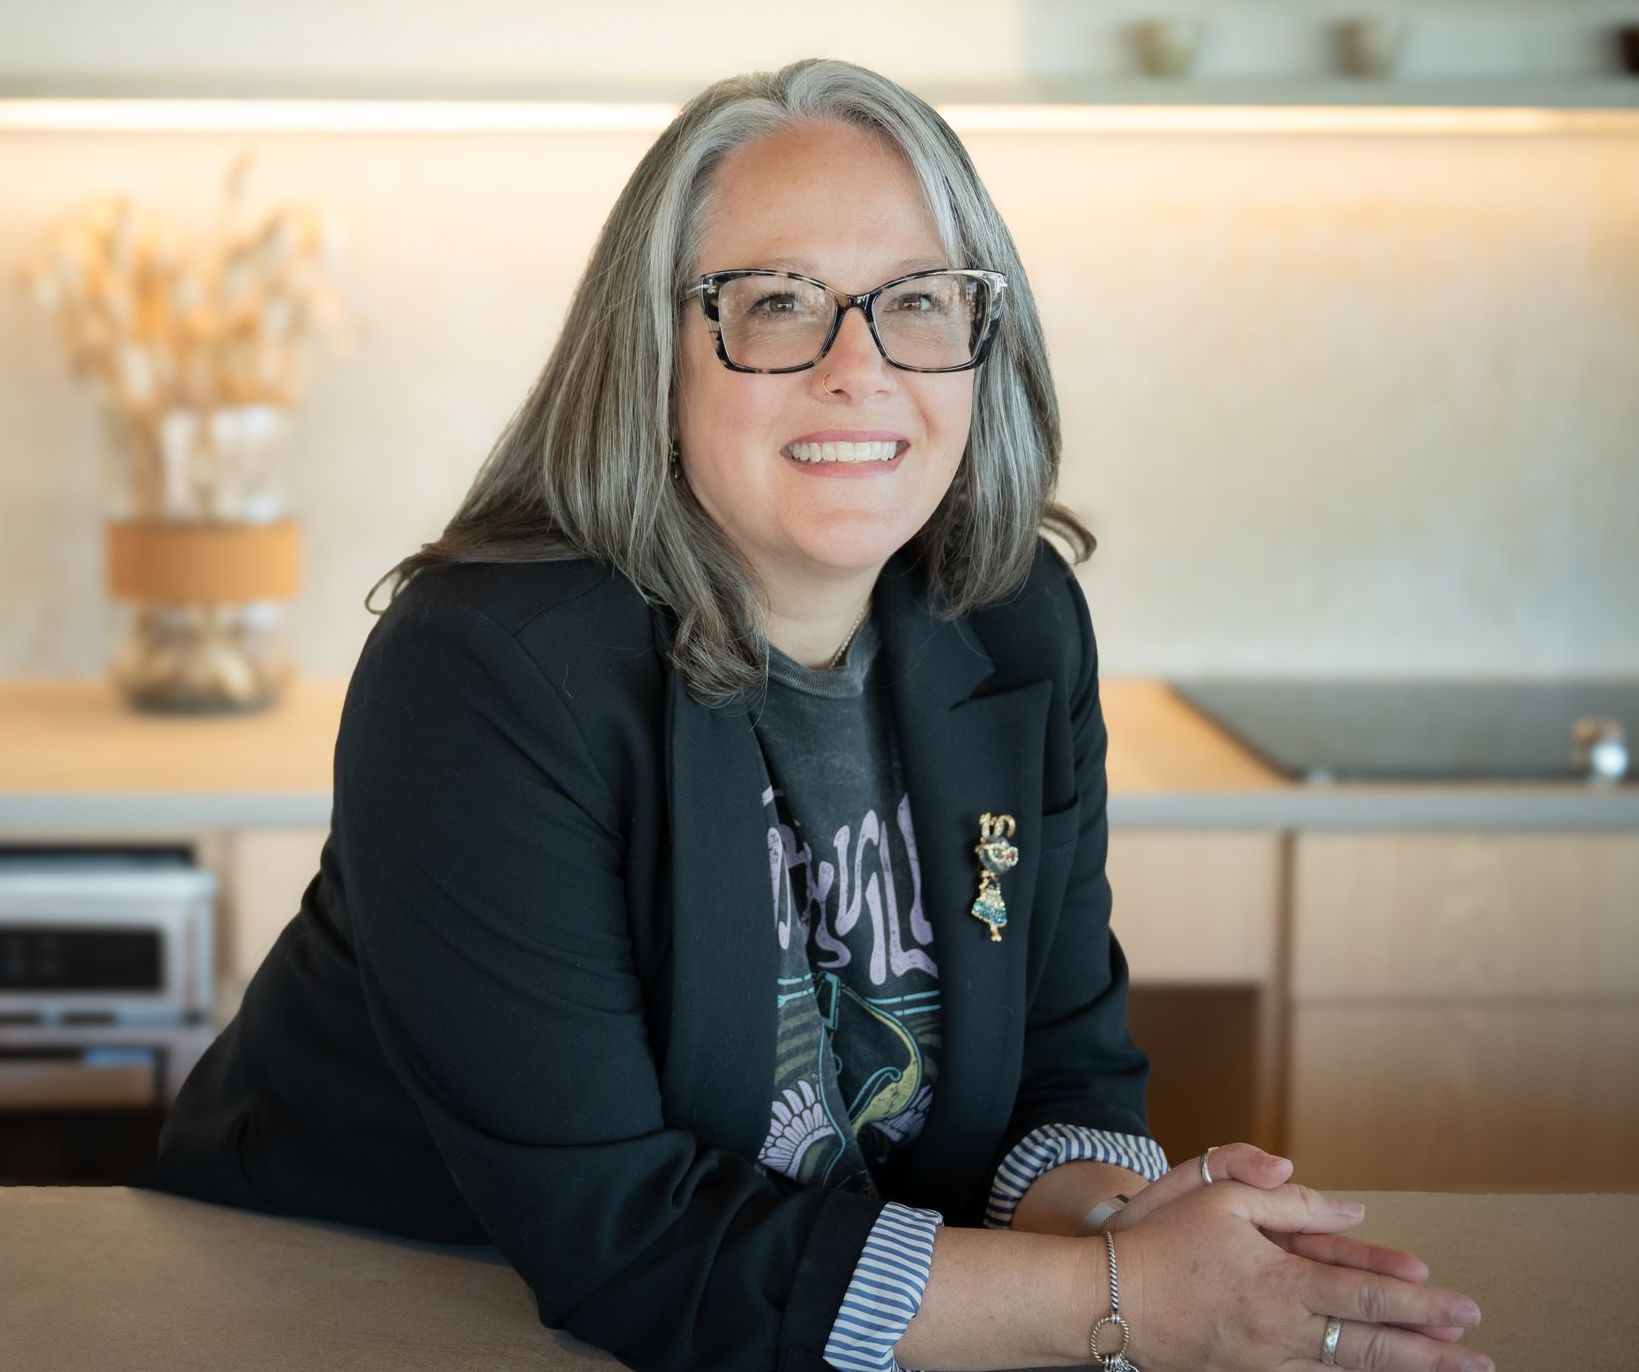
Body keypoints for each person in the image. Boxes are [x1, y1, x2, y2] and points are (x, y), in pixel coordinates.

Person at [134, 57, 1489, 1372]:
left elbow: (1060, 1073)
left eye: (918, 302)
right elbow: (624, 1239)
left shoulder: (1017, 622)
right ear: (654, 356)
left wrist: (1133, 1230)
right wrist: (1122, 1301)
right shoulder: (485, 674)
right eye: (778, 303)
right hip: (375, 1309)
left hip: (795, 1325)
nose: (859, 367)